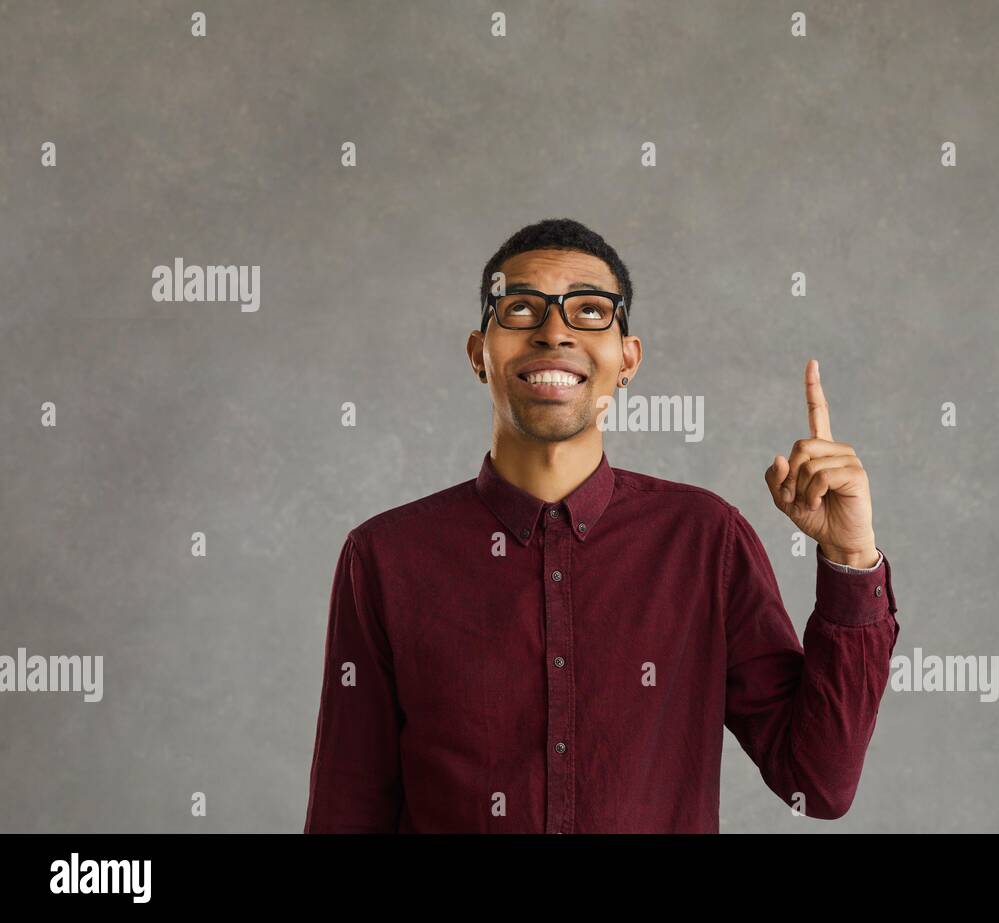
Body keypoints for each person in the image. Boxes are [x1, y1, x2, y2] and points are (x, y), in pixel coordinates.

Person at [304, 218, 899, 833]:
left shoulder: (704, 541)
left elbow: (819, 782)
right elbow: (347, 808)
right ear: (480, 355)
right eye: (521, 308)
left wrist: (850, 556)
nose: (554, 331)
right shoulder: (384, 556)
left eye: (589, 311)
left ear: (628, 359)